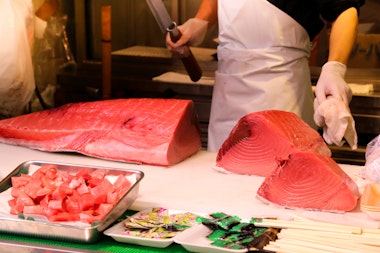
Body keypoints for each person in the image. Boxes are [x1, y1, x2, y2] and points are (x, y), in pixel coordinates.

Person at [166, 0, 365, 152]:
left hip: (282, 89)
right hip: (228, 95)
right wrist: (200, 21)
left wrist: (334, 67)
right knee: (224, 187)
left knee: (284, 179)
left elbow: (345, 10)